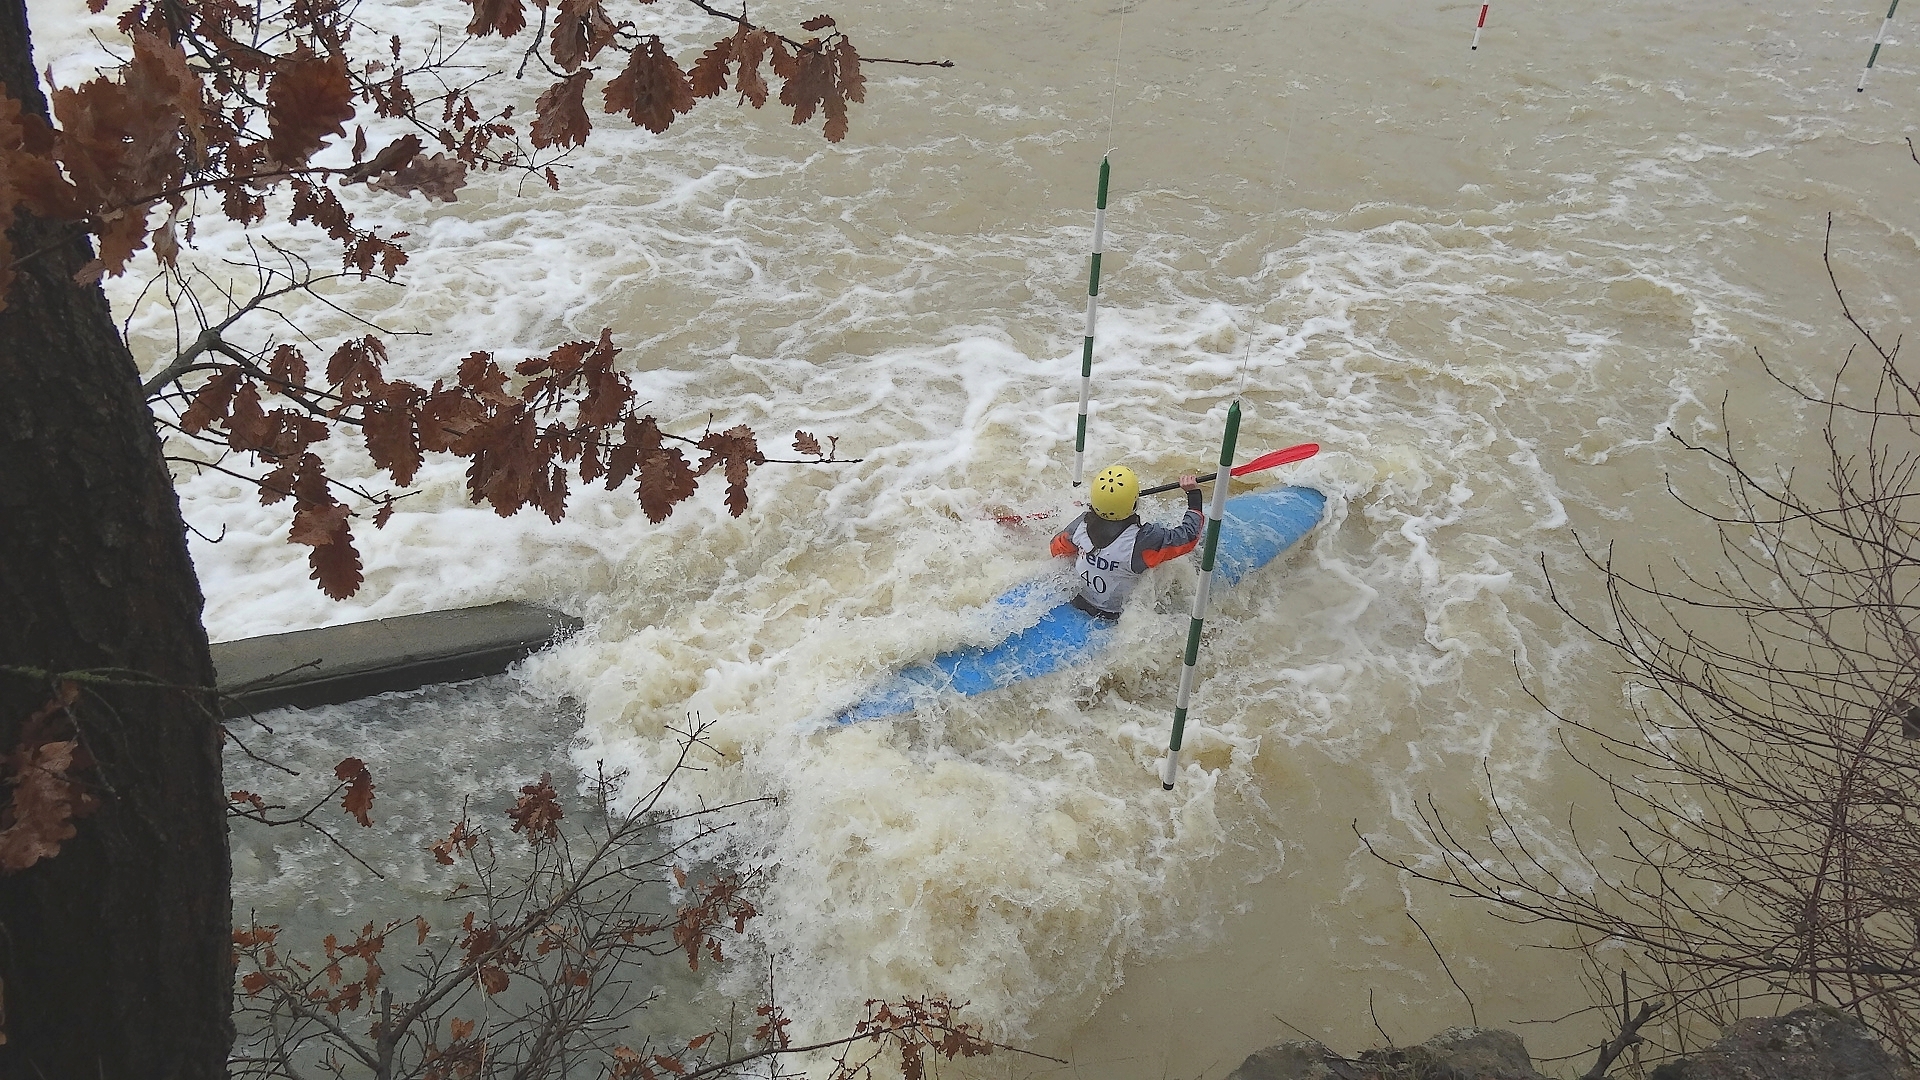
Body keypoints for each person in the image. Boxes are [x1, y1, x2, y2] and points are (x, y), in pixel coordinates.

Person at [1050, 465, 1203, 619]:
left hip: (1078, 599)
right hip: (1113, 614)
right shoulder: (1144, 539)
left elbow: (1056, 549)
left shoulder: (1081, 523)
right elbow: (1189, 536)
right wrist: (1194, 495)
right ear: (1134, 504)